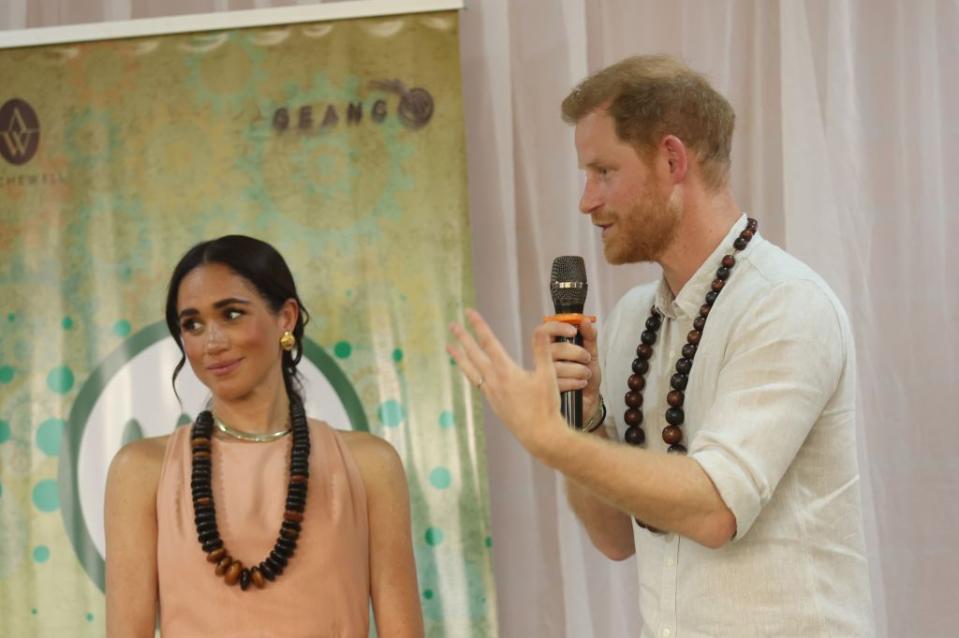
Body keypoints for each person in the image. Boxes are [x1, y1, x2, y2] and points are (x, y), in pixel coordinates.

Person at [448, 55, 873, 636]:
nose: (586, 202)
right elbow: (615, 537)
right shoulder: (629, 320)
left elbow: (716, 510)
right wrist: (585, 419)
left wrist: (550, 441)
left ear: (672, 159)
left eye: (603, 172)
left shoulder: (786, 304)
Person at [105, 235, 423, 637]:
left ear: (285, 318)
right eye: (193, 324)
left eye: (232, 314)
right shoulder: (141, 472)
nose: (213, 342)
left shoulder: (370, 464)